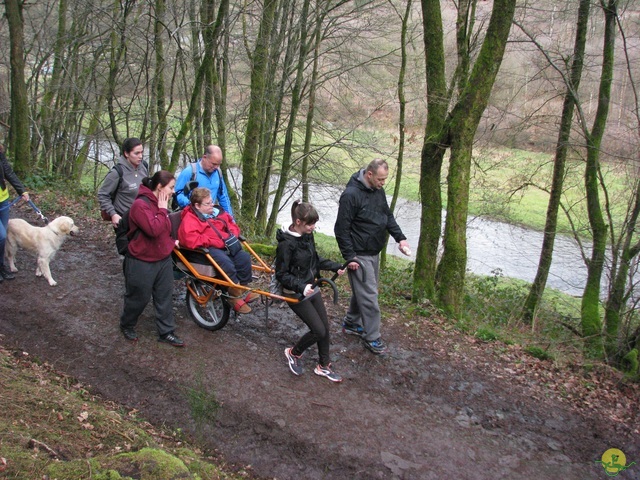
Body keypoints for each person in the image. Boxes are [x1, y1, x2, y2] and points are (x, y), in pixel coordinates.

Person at [334, 159, 411, 355]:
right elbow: (341, 229)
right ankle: (372, 337)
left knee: (365, 292)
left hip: (373, 251)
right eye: (380, 179)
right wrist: (350, 257)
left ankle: (351, 323)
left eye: (385, 179)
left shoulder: (379, 192)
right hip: (359, 254)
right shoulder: (350, 195)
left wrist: (400, 238)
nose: (383, 183)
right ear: (369, 174)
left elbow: (387, 216)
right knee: (369, 297)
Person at [276, 200, 346, 383]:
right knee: (318, 330)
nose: (313, 227)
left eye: (314, 223)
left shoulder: (307, 235)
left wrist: (334, 266)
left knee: (325, 328)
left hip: (311, 288)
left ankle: (324, 366)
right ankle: (293, 353)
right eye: (310, 224)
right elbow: (281, 274)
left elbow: (314, 260)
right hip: (295, 293)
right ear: (298, 222)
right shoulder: (286, 244)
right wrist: (301, 286)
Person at [120, 170, 184, 347]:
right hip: (141, 260)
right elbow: (153, 229)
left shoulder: (161, 205)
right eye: (171, 188)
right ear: (159, 187)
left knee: (164, 296)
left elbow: (163, 231)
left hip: (162, 259)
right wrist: (163, 211)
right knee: (138, 297)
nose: (173, 192)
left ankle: (166, 332)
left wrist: (172, 242)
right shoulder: (140, 205)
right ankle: (127, 324)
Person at [177, 187, 257, 314]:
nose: (212, 204)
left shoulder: (217, 212)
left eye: (212, 201)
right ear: (197, 206)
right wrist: (214, 241)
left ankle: (243, 288)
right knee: (226, 263)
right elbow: (189, 239)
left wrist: (232, 235)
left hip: (226, 244)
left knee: (244, 257)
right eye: (207, 203)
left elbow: (232, 224)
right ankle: (233, 296)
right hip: (207, 249)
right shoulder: (191, 219)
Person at [98, 138, 149, 228]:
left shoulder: (144, 166)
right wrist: (113, 214)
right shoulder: (117, 172)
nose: (140, 156)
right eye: (136, 153)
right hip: (124, 220)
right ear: (126, 154)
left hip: (142, 217)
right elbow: (103, 194)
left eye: (142, 152)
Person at [174, 145, 234, 216]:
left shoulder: (218, 173)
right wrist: (193, 206)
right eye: (213, 164)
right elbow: (177, 195)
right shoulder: (189, 172)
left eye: (218, 165)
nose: (216, 167)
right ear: (204, 157)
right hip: (191, 216)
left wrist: (231, 221)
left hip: (210, 217)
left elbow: (223, 197)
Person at [0, 144, 29, 283]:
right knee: (1, 235)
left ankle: (1, 265)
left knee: (3, 236)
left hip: (3, 200)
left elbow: (8, 172)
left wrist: (21, 190)